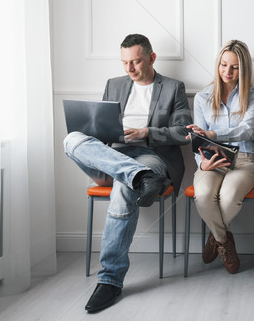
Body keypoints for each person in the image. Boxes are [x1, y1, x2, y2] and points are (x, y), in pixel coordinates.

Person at [63, 34, 191, 313]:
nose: (130, 69)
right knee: (71, 139)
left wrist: (146, 132)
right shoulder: (114, 84)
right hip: (112, 156)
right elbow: (98, 126)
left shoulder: (172, 87)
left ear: (151, 58)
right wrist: (97, 134)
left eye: (135, 61)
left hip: (150, 156)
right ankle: (138, 176)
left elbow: (184, 132)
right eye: (124, 63)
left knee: (124, 187)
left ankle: (110, 280)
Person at [186, 40, 254, 274]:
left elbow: (247, 130)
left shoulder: (253, 95)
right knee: (204, 196)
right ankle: (224, 241)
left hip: (244, 161)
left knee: (227, 199)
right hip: (211, 160)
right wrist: (202, 163)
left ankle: (214, 238)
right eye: (223, 65)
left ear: (244, 69)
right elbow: (197, 137)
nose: (227, 72)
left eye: (235, 67)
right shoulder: (202, 97)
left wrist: (213, 133)